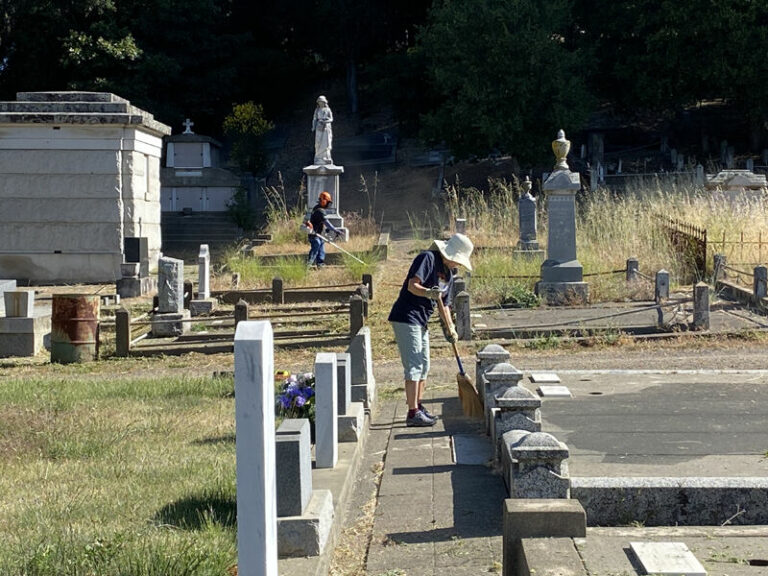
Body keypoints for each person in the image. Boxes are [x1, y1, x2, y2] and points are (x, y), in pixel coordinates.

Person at [388, 233, 473, 427]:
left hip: (422, 321)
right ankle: (412, 413)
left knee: (424, 365)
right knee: (414, 365)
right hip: (407, 316)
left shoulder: (450, 275)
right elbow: (412, 285)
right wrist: (428, 292)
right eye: (457, 260)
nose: (457, 264)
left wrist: (450, 327)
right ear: (448, 253)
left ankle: (418, 405)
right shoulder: (427, 258)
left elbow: (445, 305)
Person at [305, 191, 342, 267]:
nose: (329, 204)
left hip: (318, 234)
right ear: (323, 201)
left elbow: (320, 222)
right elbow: (326, 222)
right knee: (316, 245)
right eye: (328, 202)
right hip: (314, 234)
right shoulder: (319, 211)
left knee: (321, 248)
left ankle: (320, 264)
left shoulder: (317, 208)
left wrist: (326, 230)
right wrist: (334, 230)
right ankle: (308, 264)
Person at [312, 95, 333, 165]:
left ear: (324, 102)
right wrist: (313, 127)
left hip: (326, 128)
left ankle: (326, 157)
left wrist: (326, 121)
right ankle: (318, 157)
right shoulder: (317, 110)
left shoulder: (328, 110)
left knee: (326, 142)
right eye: (319, 102)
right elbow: (314, 119)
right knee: (318, 143)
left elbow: (331, 119)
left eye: (322, 102)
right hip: (319, 127)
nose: (320, 103)